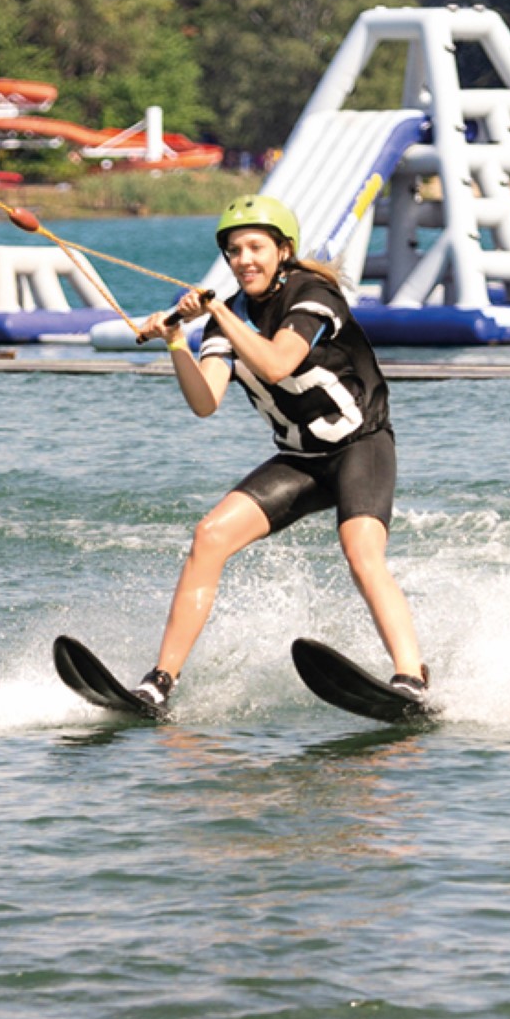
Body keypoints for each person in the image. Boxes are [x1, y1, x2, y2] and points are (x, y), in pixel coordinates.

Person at [135, 196, 427, 713]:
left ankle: (411, 677)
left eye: (254, 248)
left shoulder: (313, 295)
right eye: (233, 251)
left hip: (362, 446)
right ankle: (159, 682)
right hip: (301, 460)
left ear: (282, 251)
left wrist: (219, 309)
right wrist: (176, 340)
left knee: (360, 550)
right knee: (210, 536)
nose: (243, 259)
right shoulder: (225, 321)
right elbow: (205, 402)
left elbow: (276, 363)